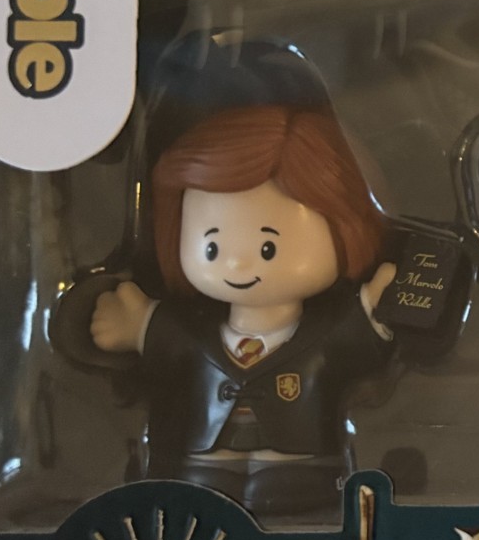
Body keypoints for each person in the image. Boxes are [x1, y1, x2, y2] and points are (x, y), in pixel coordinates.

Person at [90, 104, 397, 517]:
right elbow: (168, 339)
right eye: (212, 246)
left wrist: (380, 308)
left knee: (289, 492)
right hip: (202, 464)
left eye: (268, 247)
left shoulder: (322, 336)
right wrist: (135, 323)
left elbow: (357, 334)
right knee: (201, 500)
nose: (237, 263)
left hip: (301, 464)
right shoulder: (196, 335)